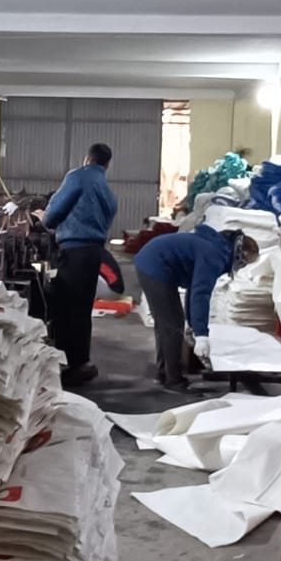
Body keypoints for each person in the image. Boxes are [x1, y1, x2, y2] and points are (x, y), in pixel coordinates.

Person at [133, 225, 247, 390]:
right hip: (155, 266)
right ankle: (173, 380)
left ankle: (164, 373)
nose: (242, 266)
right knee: (172, 324)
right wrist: (201, 335)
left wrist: (193, 324)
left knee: (167, 323)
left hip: (151, 260)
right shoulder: (214, 255)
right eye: (245, 262)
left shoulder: (216, 248)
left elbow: (193, 289)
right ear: (240, 254)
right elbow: (201, 294)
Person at [42, 142, 117, 385]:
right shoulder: (107, 191)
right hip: (94, 252)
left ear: (87, 159)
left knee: (67, 309)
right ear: (107, 164)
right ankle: (80, 361)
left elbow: (55, 211)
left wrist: (44, 220)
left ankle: (69, 365)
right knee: (82, 310)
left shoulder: (78, 177)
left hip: (74, 252)